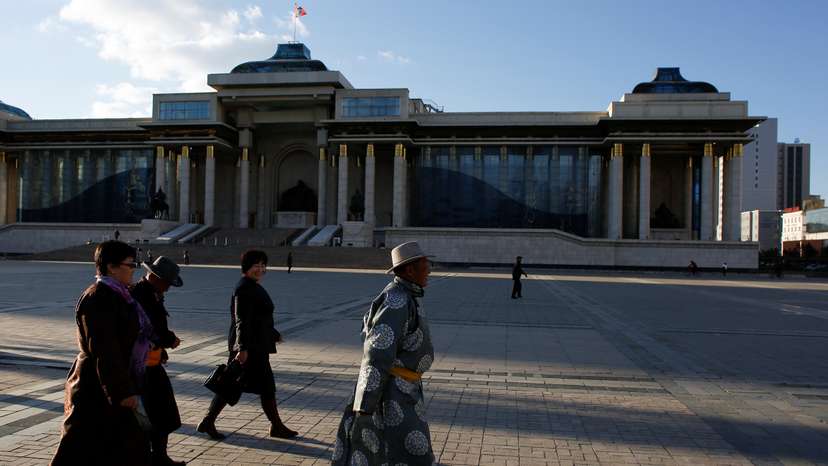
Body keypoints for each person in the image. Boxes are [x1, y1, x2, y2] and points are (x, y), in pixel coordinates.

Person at [332, 241, 436, 466]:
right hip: (391, 394)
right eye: (425, 265)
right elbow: (377, 353)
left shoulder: (407, 295)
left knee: (392, 450)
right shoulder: (397, 300)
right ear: (409, 270)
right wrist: (366, 403)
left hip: (404, 389)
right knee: (410, 451)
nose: (429, 270)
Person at [51, 241, 153, 466]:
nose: (134, 268)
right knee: (78, 451)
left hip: (111, 384)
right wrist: (122, 391)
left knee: (124, 449)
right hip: (96, 388)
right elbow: (104, 349)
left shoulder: (121, 295)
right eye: (130, 264)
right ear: (112, 267)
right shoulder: (98, 297)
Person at [197, 250, 297, 440]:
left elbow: (259, 318)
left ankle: (209, 421)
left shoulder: (253, 286)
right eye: (255, 265)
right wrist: (242, 348)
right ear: (246, 268)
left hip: (256, 345)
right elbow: (241, 320)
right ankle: (275, 426)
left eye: (262, 265)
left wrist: (273, 334)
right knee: (248, 386)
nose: (260, 269)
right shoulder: (244, 288)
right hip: (249, 348)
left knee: (238, 385)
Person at [131, 257, 185, 466]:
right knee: (149, 416)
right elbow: (150, 329)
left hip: (152, 363)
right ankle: (152, 457)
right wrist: (169, 340)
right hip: (141, 367)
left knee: (163, 413)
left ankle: (159, 456)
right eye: (166, 283)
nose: (168, 288)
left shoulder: (154, 293)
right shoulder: (140, 295)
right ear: (153, 276)